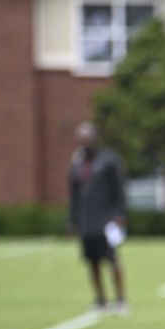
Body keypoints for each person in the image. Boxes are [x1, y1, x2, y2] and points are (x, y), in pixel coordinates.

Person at [67, 122, 128, 313]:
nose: (86, 142)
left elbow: (119, 189)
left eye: (89, 138)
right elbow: (74, 195)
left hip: (107, 219)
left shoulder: (109, 161)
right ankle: (100, 299)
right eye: (82, 139)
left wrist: (119, 214)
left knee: (112, 259)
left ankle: (120, 299)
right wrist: (73, 219)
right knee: (92, 262)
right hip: (87, 221)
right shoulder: (77, 164)